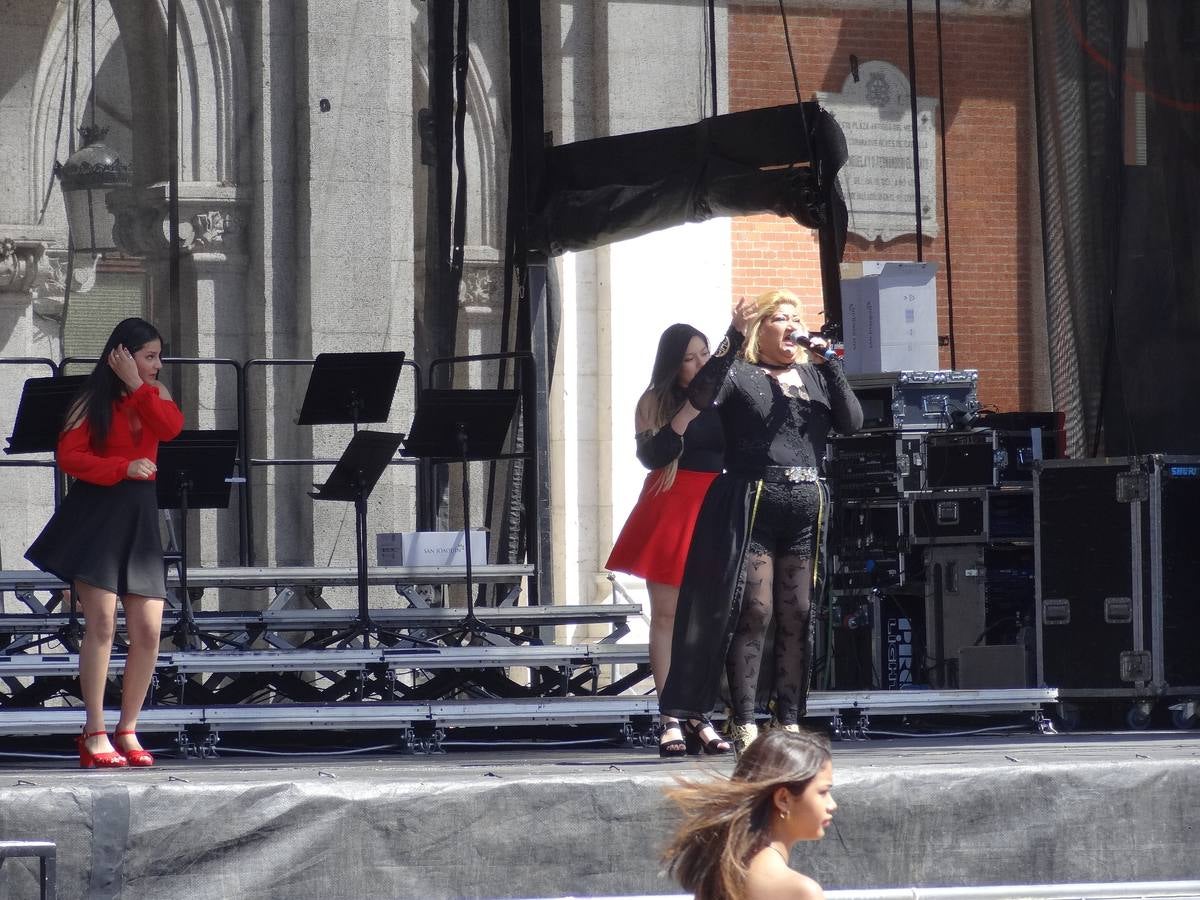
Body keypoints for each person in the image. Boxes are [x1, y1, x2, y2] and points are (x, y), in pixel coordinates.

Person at [660, 290, 863, 753]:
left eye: (797, 317)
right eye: (780, 317)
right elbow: (701, 394)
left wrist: (830, 363)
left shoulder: (813, 376)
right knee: (755, 610)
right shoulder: (741, 374)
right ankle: (743, 718)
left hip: (805, 503)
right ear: (761, 328)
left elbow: (852, 423)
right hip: (754, 501)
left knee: (799, 612)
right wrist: (730, 336)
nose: (792, 325)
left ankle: (788, 718)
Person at [26, 317, 184, 768]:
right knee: (101, 625)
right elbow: (69, 456)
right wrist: (121, 467)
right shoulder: (89, 399)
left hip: (139, 519)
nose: (156, 364)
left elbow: (169, 428)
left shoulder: (155, 394)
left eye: (157, 356)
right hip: (98, 517)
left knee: (149, 630)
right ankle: (94, 729)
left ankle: (128, 728)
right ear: (121, 354)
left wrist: (138, 384)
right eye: (148, 356)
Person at [606, 324, 731, 757]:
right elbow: (650, 458)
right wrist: (687, 413)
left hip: (716, 504)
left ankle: (701, 715)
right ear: (673, 364)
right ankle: (670, 717)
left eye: (703, 355)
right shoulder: (654, 401)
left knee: (710, 618)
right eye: (689, 358)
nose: (698, 364)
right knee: (668, 616)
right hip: (674, 503)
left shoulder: (724, 395)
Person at [663, 727, 836, 900]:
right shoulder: (800, 891)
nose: (832, 805)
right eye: (823, 792)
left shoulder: (720, 874)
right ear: (783, 799)